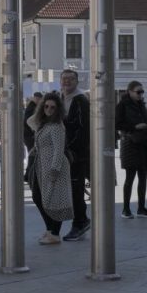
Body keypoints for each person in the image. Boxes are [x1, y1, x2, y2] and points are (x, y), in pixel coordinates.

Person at [27, 92, 71, 244]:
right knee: (38, 197)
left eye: (53, 107)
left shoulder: (57, 126)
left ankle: (55, 233)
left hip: (54, 167)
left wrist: (54, 169)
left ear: (58, 109)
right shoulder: (44, 124)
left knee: (54, 199)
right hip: (41, 166)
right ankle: (50, 230)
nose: (49, 109)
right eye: (46, 106)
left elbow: (59, 149)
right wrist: (40, 111)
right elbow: (29, 121)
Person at [59, 69, 91, 241]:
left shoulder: (80, 100)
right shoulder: (61, 97)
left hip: (76, 154)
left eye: (71, 79)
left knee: (75, 190)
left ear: (77, 81)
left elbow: (83, 129)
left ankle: (80, 222)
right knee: (70, 190)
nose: (67, 82)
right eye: (64, 79)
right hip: (64, 152)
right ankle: (77, 221)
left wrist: (71, 149)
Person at [116, 81, 147, 219]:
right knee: (130, 178)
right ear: (130, 92)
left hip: (143, 144)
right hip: (130, 144)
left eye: (142, 92)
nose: (141, 94)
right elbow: (117, 124)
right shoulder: (122, 105)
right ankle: (126, 209)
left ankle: (141, 208)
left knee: (143, 178)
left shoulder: (141, 105)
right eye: (138, 92)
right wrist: (134, 127)